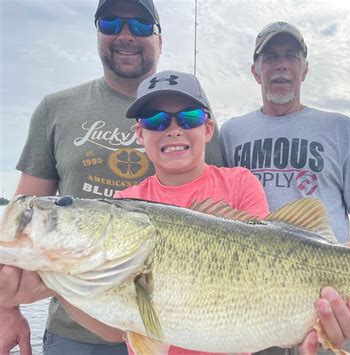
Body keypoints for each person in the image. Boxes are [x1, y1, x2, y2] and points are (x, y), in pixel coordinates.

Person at [47, 70, 350, 355]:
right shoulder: (126, 201)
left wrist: (336, 277)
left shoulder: (239, 183)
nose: (173, 129)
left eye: (188, 118)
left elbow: (273, 252)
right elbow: (113, 327)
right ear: (140, 134)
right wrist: (56, 278)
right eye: (156, 120)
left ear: (207, 129)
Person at [0, 1, 221, 354]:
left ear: (160, 41)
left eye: (141, 26)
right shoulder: (55, 109)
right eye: (111, 23)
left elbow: (223, 220)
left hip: (173, 325)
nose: (126, 35)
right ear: (98, 34)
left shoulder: (194, 112)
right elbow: (22, 220)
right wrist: (6, 309)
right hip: (75, 329)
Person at [220, 22, 350, 354]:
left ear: (305, 69)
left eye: (291, 55)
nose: (281, 65)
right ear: (255, 71)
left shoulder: (339, 128)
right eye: (270, 57)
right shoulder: (230, 132)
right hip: (252, 308)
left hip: (333, 300)